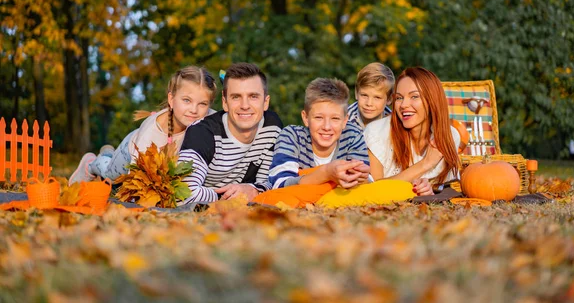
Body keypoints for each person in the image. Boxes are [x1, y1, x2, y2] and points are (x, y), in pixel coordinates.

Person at [68, 66, 217, 185]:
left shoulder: (209, 117)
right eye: (186, 100)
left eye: (202, 103)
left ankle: (108, 152)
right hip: (130, 153)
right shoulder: (152, 131)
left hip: (160, 165)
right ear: (171, 99)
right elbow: (136, 176)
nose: (194, 110)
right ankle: (92, 163)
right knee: (110, 176)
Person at [178, 63, 283, 204]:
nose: (245, 105)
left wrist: (254, 190)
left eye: (253, 96)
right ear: (225, 102)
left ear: (266, 102)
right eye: (236, 97)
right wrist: (229, 198)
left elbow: (270, 182)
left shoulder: (272, 126)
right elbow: (184, 192)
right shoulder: (202, 133)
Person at [364, 67, 461, 196]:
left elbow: (447, 187)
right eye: (399, 98)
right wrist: (425, 164)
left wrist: (429, 190)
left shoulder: (450, 135)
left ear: (432, 100)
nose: (403, 105)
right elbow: (373, 190)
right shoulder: (376, 132)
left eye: (414, 96)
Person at [268, 78, 370, 190]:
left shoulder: (352, 136)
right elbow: (279, 184)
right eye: (318, 117)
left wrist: (362, 177)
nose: (326, 127)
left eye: (335, 118)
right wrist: (326, 173)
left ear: (345, 121)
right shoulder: (291, 136)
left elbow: (366, 182)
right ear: (305, 118)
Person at [347, 62, 395, 130]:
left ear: (389, 99)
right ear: (356, 93)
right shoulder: (344, 120)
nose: (369, 103)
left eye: (377, 97)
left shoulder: (393, 124)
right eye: (364, 95)